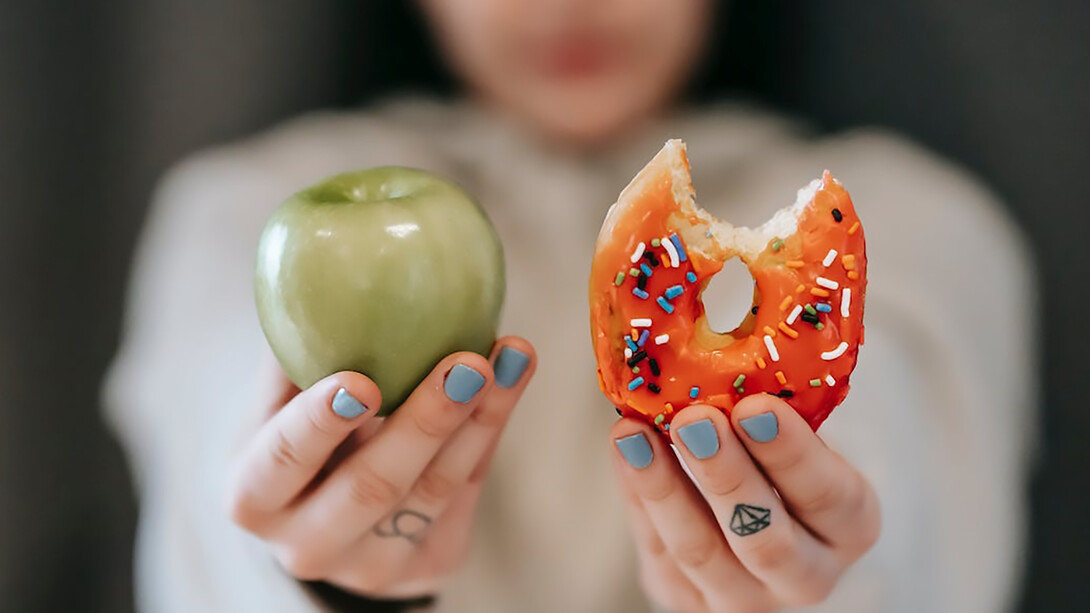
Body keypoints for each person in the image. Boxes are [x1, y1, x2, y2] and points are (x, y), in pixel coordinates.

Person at [102, 1, 1037, 612]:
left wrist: (823, 564)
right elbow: (212, 457)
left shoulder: (921, 218)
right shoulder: (235, 207)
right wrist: (315, 571)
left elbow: (906, 466)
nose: (567, 3)